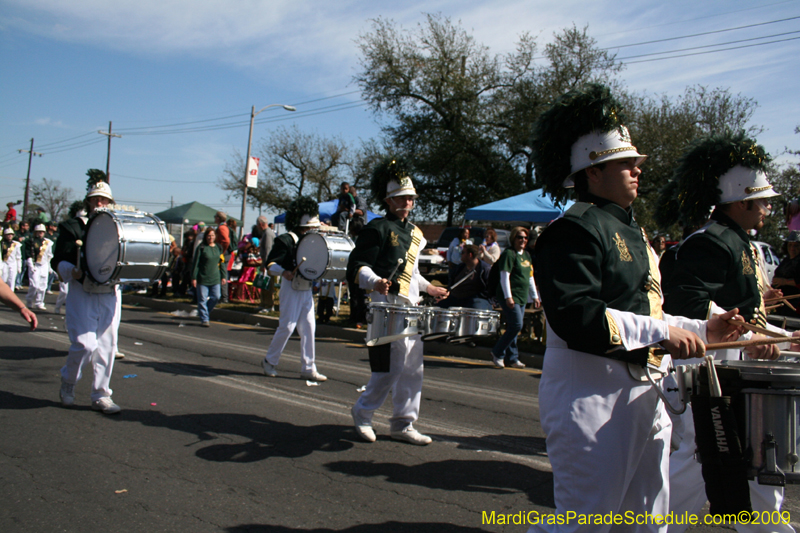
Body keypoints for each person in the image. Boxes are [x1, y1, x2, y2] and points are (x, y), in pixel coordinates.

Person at [527, 84, 744, 533]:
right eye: (625, 163)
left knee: (647, 522)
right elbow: (575, 314)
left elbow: (651, 314)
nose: (637, 170)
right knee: (586, 524)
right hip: (591, 395)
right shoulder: (572, 230)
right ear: (592, 170)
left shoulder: (634, 233)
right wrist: (660, 335)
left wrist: (707, 329)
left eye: (636, 163)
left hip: (646, 392)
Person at [662, 131, 799, 533]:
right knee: (704, 458)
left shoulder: (743, 245)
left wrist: (781, 336)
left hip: (742, 371)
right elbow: (686, 304)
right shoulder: (709, 243)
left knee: (752, 464)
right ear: (741, 202)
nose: (769, 210)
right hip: (716, 373)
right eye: (763, 202)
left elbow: (749, 315)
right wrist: (747, 336)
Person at [347, 157, 449, 446]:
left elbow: (412, 275)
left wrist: (430, 289)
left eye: (410, 198)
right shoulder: (376, 229)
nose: (408, 203)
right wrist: (374, 281)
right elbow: (358, 266)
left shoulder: (416, 234)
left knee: (413, 368)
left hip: (411, 306)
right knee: (388, 366)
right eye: (402, 198)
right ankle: (363, 412)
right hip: (385, 304)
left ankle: (403, 423)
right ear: (389, 200)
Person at [52, 181, 123, 414]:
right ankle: (69, 380)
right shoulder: (72, 227)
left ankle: (101, 394)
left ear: (110, 203)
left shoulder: (119, 227)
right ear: (89, 202)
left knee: (107, 345)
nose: (99, 203)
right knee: (84, 344)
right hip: (82, 289)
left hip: (110, 291)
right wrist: (70, 270)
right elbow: (58, 258)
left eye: (104, 199)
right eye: (95, 199)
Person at [260, 196, 327, 381]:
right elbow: (270, 264)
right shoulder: (286, 240)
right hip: (291, 287)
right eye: (309, 227)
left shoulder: (312, 240)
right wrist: (283, 272)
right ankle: (269, 361)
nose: (313, 230)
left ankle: (308, 367)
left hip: (305, 288)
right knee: (288, 327)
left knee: (309, 328)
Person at [490, 227, 538, 369]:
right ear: (513, 239)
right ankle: (497, 352)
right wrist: (508, 297)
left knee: (514, 327)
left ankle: (512, 358)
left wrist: (534, 296)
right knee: (517, 325)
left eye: (525, 238)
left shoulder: (526, 255)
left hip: (522, 296)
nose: (523, 240)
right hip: (510, 296)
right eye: (519, 237)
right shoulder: (509, 254)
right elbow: (504, 276)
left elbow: (530, 277)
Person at [436, 244, 491, 310]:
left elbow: (491, 288)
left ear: (470, 255)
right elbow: (452, 284)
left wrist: (492, 302)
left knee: (474, 308)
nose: (460, 254)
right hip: (457, 298)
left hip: (476, 299)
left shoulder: (485, 269)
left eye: (462, 253)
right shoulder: (460, 267)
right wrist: (447, 294)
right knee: (439, 306)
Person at [192, 227, 226, 327]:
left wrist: (223, 276)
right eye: (208, 235)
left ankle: (204, 311)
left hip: (215, 277)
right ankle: (204, 319)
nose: (210, 237)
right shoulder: (202, 247)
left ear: (215, 236)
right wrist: (194, 277)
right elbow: (196, 263)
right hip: (203, 278)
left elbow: (222, 263)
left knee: (216, 297)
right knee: (202, 299)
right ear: (205, 236)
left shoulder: (218, 247)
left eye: (212, 235)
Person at [770, 230, 800, 316]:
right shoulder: (786, 261)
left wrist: (784, 282)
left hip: (794, 305)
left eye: (796, 246)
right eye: (790, 245)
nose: (792, 248)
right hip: (781, 303)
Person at [24, 223, 53, 310]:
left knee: (43, 285)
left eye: (42, 232)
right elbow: (28, 253)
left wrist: (49, 266)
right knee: (34, 285)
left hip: (44, 265)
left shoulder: (48, 242)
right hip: (35, 265)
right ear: (35, 232)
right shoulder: (31, 241)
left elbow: (49, 255)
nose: (40, 233)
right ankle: (29, 299)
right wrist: (30, 265)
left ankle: (39, 302)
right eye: (39, 232)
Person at [256, 215, 276, 313]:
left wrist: (265, 264)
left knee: (268, 285)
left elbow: (268, 250)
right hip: (266, 262)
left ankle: (269, 305)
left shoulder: (268, 233)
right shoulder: (266, 233)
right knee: (263, 285)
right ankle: (263, 303)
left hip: (268, 263)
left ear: (260, 224)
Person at [214, 212, 231, 303]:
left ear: (219, 218)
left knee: (222, 275)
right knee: (222, 274)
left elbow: (226, 241)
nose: (214, 218)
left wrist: (222, 252)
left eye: (215, 217)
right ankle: (222, 296)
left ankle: (224, 297)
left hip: (224, 254)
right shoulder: (224, 226)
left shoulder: (221, 228)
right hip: (224, 253)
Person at [2, 228, 22, 292]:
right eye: (8, 234)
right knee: (3, 279)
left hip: (13, 263)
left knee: (11, 280)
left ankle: (10, 294)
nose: (10, 236)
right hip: (3, 263)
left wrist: (19, 266)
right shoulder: (1, 243)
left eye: (11, 234)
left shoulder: (16, 244)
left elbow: (18, 257)